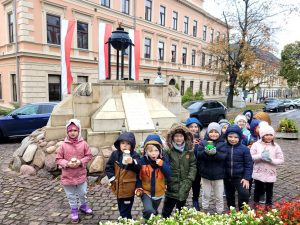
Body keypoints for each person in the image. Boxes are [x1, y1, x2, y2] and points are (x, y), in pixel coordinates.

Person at [55, 119, 93, 223]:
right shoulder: (63, 145)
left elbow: (89, 155)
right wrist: (67, 163)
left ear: (79, 131)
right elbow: (58, 159)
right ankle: (74, 210)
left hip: (80, 174)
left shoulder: (84, 143)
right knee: (70, 195)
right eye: (70, 130)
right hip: (68, 175)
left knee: (83, 192)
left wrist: (80, 162)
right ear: (67, 132)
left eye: (75, 130)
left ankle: (83, 206)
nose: (72, 132)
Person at [162, 123, 197, 218]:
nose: (179, 138)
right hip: (171, 184)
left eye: (181, 136)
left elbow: (193, 165)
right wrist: (165, 182)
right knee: (167, 210)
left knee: (181, 210)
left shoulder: (189, 150)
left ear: (184, 137)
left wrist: (189, 179)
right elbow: (164, 167)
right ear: (172, 137)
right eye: (176, 136)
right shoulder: (168, 151)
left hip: (184, 184)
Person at [105, 132, 141, 219]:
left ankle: (125, 221)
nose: (125, 146)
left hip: (128, 189)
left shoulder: (134, 155)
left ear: (132, 145)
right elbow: (108, 167)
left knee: (125, 212)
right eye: (122, 143)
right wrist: (112, 178)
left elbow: (139, 167)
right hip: (118, 189)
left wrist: (132, 162)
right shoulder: (115, 154)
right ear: (119, 144)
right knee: (121, 209)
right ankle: (126, 220)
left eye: (128, 143)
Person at [136, 134, 172, 220]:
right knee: (149, 210)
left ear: (160, 151)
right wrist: (139, 187)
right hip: (145, 192)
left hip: (158, 193)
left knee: (154, 211)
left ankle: (151, 218)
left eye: (156, 150)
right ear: (146, 151)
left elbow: (169, 174)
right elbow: (138, 176)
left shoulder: (164, 160)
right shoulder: (142, 161)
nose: (153, 153)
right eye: (150, 151)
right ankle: (146, 218)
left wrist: (162, 165)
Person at [250, 125, 284, 210]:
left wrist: (271, 160)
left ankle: (268, 207)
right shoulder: (256, 145)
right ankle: (256, 207)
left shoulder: (276, 146)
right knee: (258, 190)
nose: (269, 137)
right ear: (262, 135)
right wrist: (260, 156)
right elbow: (251, 157)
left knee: (269, 191)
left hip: (270, 173)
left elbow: (281, 159)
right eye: (266, 135)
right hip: (259, 172)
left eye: (271, 135)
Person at [221, 125, 253, 210]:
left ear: (240, 137)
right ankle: (232, 210)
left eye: (235, 137)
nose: (232, 139)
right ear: (226, 136)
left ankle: (242, 211)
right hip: (227, 177)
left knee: (244, 194)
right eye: (230, 136)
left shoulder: (244, 149)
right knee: (229, 195)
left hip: (240, 177)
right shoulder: (223, 147)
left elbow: (249, 164)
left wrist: (246, 178)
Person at [197, 122, 227, 213]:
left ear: (220, 133)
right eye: (211, 131)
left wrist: (215, 153)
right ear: (207, 133)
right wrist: (206, 152)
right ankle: (204, 209)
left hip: (219, 175)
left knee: (219, 196)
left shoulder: (223, 144)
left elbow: (223, 157)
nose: (213, 134)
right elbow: (199, 155)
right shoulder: (203, 143)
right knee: (206, 195)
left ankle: (220, 211)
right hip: (205, 175)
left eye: (216, 132)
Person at [185, 117, 203, 210]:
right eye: (191, 126)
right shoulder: (183, 140)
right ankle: (182, 200)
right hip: (186, 167)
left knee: (196, 185)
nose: (194, 128)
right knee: (185, 185)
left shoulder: (201, 140)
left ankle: (195, 199)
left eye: (196, 126)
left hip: (197, 167)